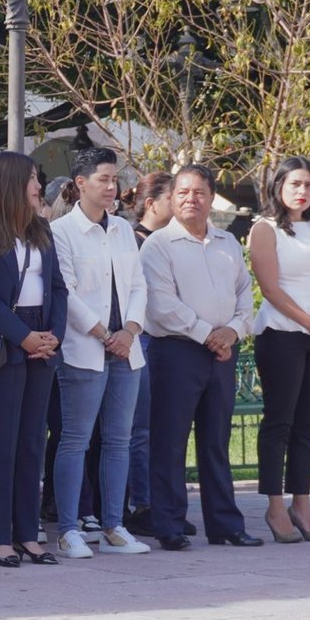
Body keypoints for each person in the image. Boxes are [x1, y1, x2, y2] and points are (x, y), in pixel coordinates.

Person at [141, 164, 260, 551]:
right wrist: (208, 333)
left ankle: (225, 524)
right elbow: (161, 305)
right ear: (171, 199)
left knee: (216, 441)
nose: (191, 199)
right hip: (177, 351)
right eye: (183, 193)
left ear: (211, 198)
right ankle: (170, 524)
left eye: (199, 193)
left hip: (224, 350)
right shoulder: (157, 245)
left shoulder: (227, 242)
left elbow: (245, 294)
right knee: (170, 441)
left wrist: (233, 332)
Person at [0, 151, 67, 568]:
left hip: (42, 338)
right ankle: (1, 536)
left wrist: (51, 336)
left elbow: (58, 287)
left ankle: (29, 533)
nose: (38, 186)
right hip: (7, 340)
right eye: (31, 179)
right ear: (9, 181)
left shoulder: (40, 227)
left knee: (31, 443)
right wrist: (23, 337)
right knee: (1, 442)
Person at [49, 148, 151, 559]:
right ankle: (69, 528)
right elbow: (66, 292)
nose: (112, 188)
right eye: (103, 180)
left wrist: (128, 331)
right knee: (74, 439)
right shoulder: (61, 231)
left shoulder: (124, 230)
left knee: (119, 440)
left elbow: (139, 285)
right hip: (84, 348)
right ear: (80, 184)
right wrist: (103, 331)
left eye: (114, 180)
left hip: (126, 349)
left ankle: (114, 525)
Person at [249, 157, 310, 544]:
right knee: (279, 422)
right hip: (282, 333)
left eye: (308, 185)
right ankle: (274, 506)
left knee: (307, 425)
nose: (302, 191)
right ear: (278, 188)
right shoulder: (265, 229)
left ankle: (302, 505)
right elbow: (270, 288)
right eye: (294, 184)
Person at [122, 171, 173, 536]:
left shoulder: (173, 240)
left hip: (168, 341)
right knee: (139, 429)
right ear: (152, 202)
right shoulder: (135, 239)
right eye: (174, 195)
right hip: (141, 337)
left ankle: (164, 501)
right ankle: (141, 502)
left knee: (160, 427)